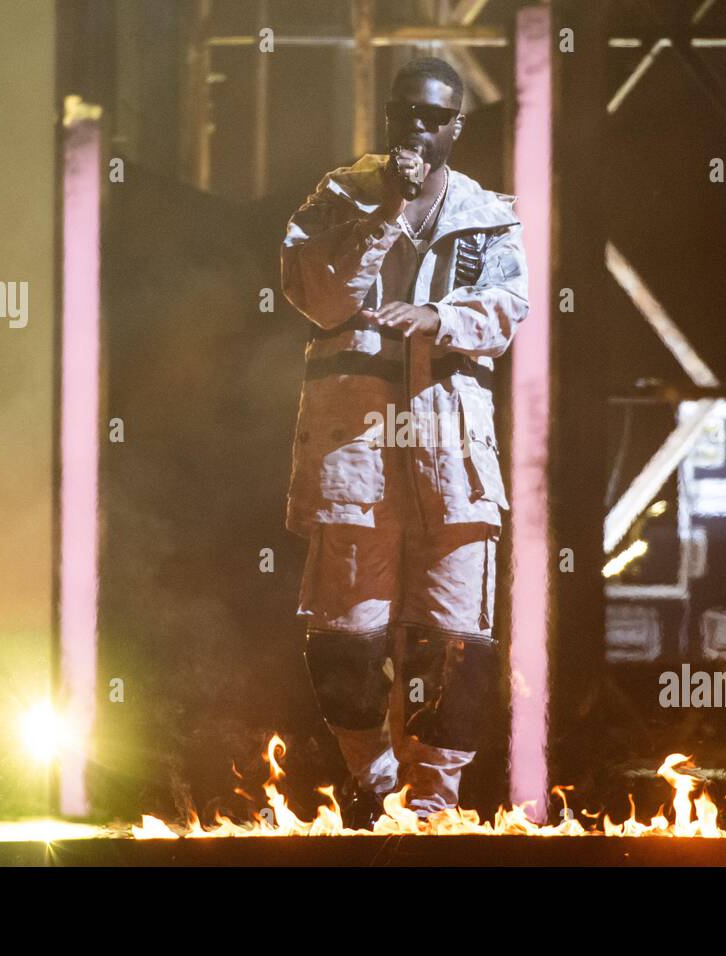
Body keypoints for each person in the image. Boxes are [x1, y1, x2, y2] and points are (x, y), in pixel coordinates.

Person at [280, 56, 528, 827]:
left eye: (432, 116)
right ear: (389, 118)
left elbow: (511, 306)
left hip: (450, 456)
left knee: (454, 644)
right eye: (403, 114)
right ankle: (378, 785)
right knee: (347, 637)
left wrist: (441, 321)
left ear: (456, 124)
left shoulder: (489, 213)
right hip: (354, 453)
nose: (415, 128)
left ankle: (434, 814)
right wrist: (385, 213)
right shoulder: (339, 195)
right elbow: (316, 297)